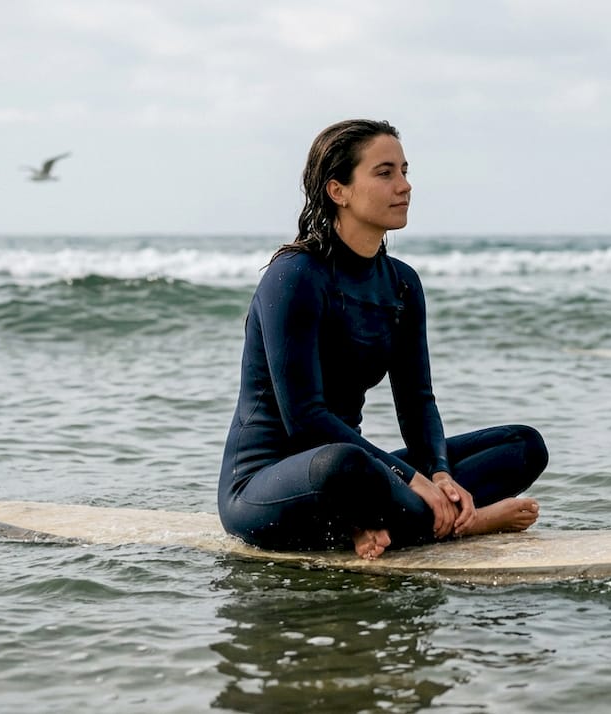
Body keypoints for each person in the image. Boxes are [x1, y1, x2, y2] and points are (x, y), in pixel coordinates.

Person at [217, 119, 547, 561]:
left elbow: (416, 400)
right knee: (344, 464)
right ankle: (462, 524)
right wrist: (413, 479)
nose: (405, 186)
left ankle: (385, 519)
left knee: (523, 446)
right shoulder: (294, 276)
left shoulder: (402, 284)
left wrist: (440, 472)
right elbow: (305, 419)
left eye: (405, 171)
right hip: (272, 483)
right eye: (385, 172)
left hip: (363, 480)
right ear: (339, 191)